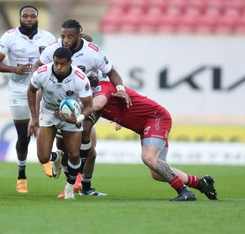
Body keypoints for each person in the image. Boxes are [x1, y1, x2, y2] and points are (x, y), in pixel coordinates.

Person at [34, 19, 131, 198]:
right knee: (63, 147)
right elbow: (38, 69)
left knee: (85, 132)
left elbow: (112, 74)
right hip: (59, 104)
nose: (65, 41)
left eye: (69, 37)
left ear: (79, 36)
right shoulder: (54, 49)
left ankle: (76, 181)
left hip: (87, 102)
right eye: (63, 36)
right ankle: (76, 180)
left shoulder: (93, 54)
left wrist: (121, 90)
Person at [90, 77, 218, 201]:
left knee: (149, 158)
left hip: (156, 119)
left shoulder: (101, 88)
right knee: (158, 173)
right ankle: (201, 183)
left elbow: (97, 104)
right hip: (150, 124)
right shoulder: (97, 95)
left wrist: (77, 113)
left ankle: (184, 191)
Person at [0, 5, 56, 193]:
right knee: (23, 136)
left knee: (45, 128)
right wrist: (14, 69)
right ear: (19, 18)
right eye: (25, 16)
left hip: (42, 90)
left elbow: (59, 60)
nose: (29, 19)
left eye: (32, 16)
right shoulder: (9, 36)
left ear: (37, 18)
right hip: (19, 89)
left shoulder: (48, 38)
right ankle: (21, 176)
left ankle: (45, 159)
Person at [27, 47, 93, 200]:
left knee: (75, 155)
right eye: (56, 63)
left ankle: (69, 187)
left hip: (70, 115)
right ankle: (56, 156)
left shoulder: (80, 78)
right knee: (43, 158)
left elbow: (89, 106)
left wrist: (76, 119)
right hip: (49, 112)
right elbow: (31, 90)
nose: (58, 67)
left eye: (63, 64)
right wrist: (34, 116)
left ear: (70, 62)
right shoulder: (42, 73)